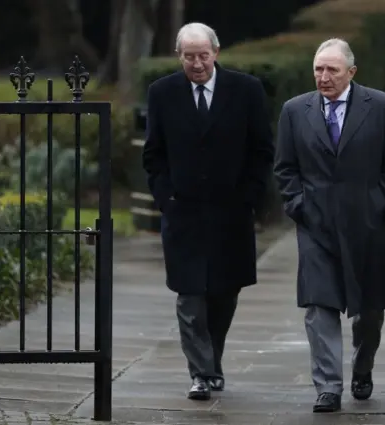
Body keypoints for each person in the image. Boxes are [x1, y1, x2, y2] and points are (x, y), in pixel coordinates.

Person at [273, 38, 385, 413]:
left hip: (366, 224)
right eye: (318, 68)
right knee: (320, 305)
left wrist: (380, 207)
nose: (323, 76)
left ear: (351, 72)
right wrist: (298, 206)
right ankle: (328, 386)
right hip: (315, 224)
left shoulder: (381, 107)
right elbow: (285, 168)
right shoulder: (295, 110)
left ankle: (362, 369)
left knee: (369, 310)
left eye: (332, 69)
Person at [142, 22, 274, 401]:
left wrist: (249, 197)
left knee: (222, 295)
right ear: (178, 56)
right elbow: (153, 154)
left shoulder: (246, 90)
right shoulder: (162, 92)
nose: (197, 64)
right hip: (182, 214)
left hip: (230, 214)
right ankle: (200, 374)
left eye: (203, 55)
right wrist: (166, 198)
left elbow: (261, 149)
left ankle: (212, 362)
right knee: (189, 297)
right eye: (189, 56)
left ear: (216, 53)